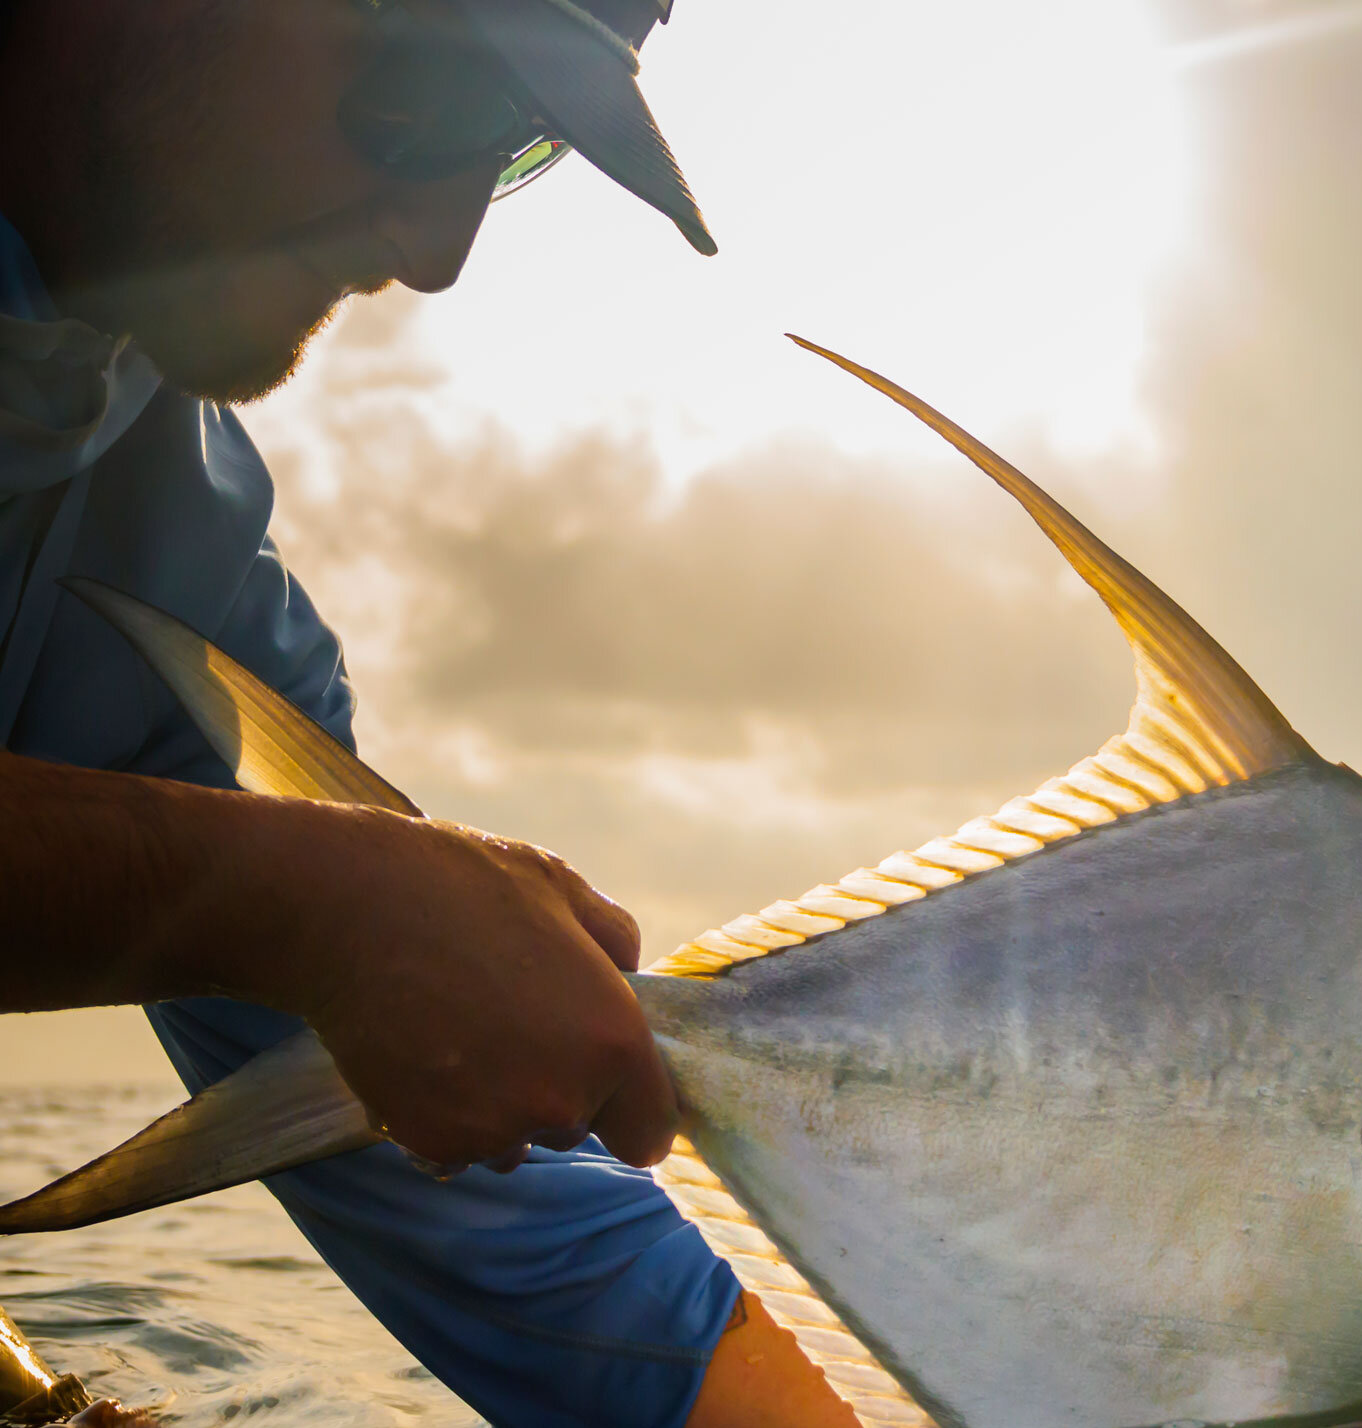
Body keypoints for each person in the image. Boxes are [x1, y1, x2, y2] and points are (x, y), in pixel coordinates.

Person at [0, 2, 859, 1424]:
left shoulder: (172, 559)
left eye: (513, 148)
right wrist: (297, 905)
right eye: (428, 95)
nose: (439, 251)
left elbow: (537, 1252)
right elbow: (321, 917)